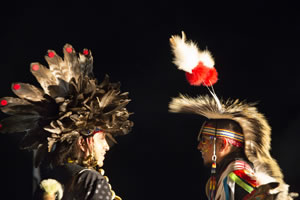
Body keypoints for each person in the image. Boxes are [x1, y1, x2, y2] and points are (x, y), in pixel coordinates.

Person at [168, 32, 298, 200]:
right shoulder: (224, 177)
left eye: (205, 140)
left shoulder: (237, 175)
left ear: (222, 144)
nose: (199, 146)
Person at [0, 44, 133, 200]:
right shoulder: (91, 180)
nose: (106, 146)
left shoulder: (51, 181)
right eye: (102, 139)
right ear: (83, 142)